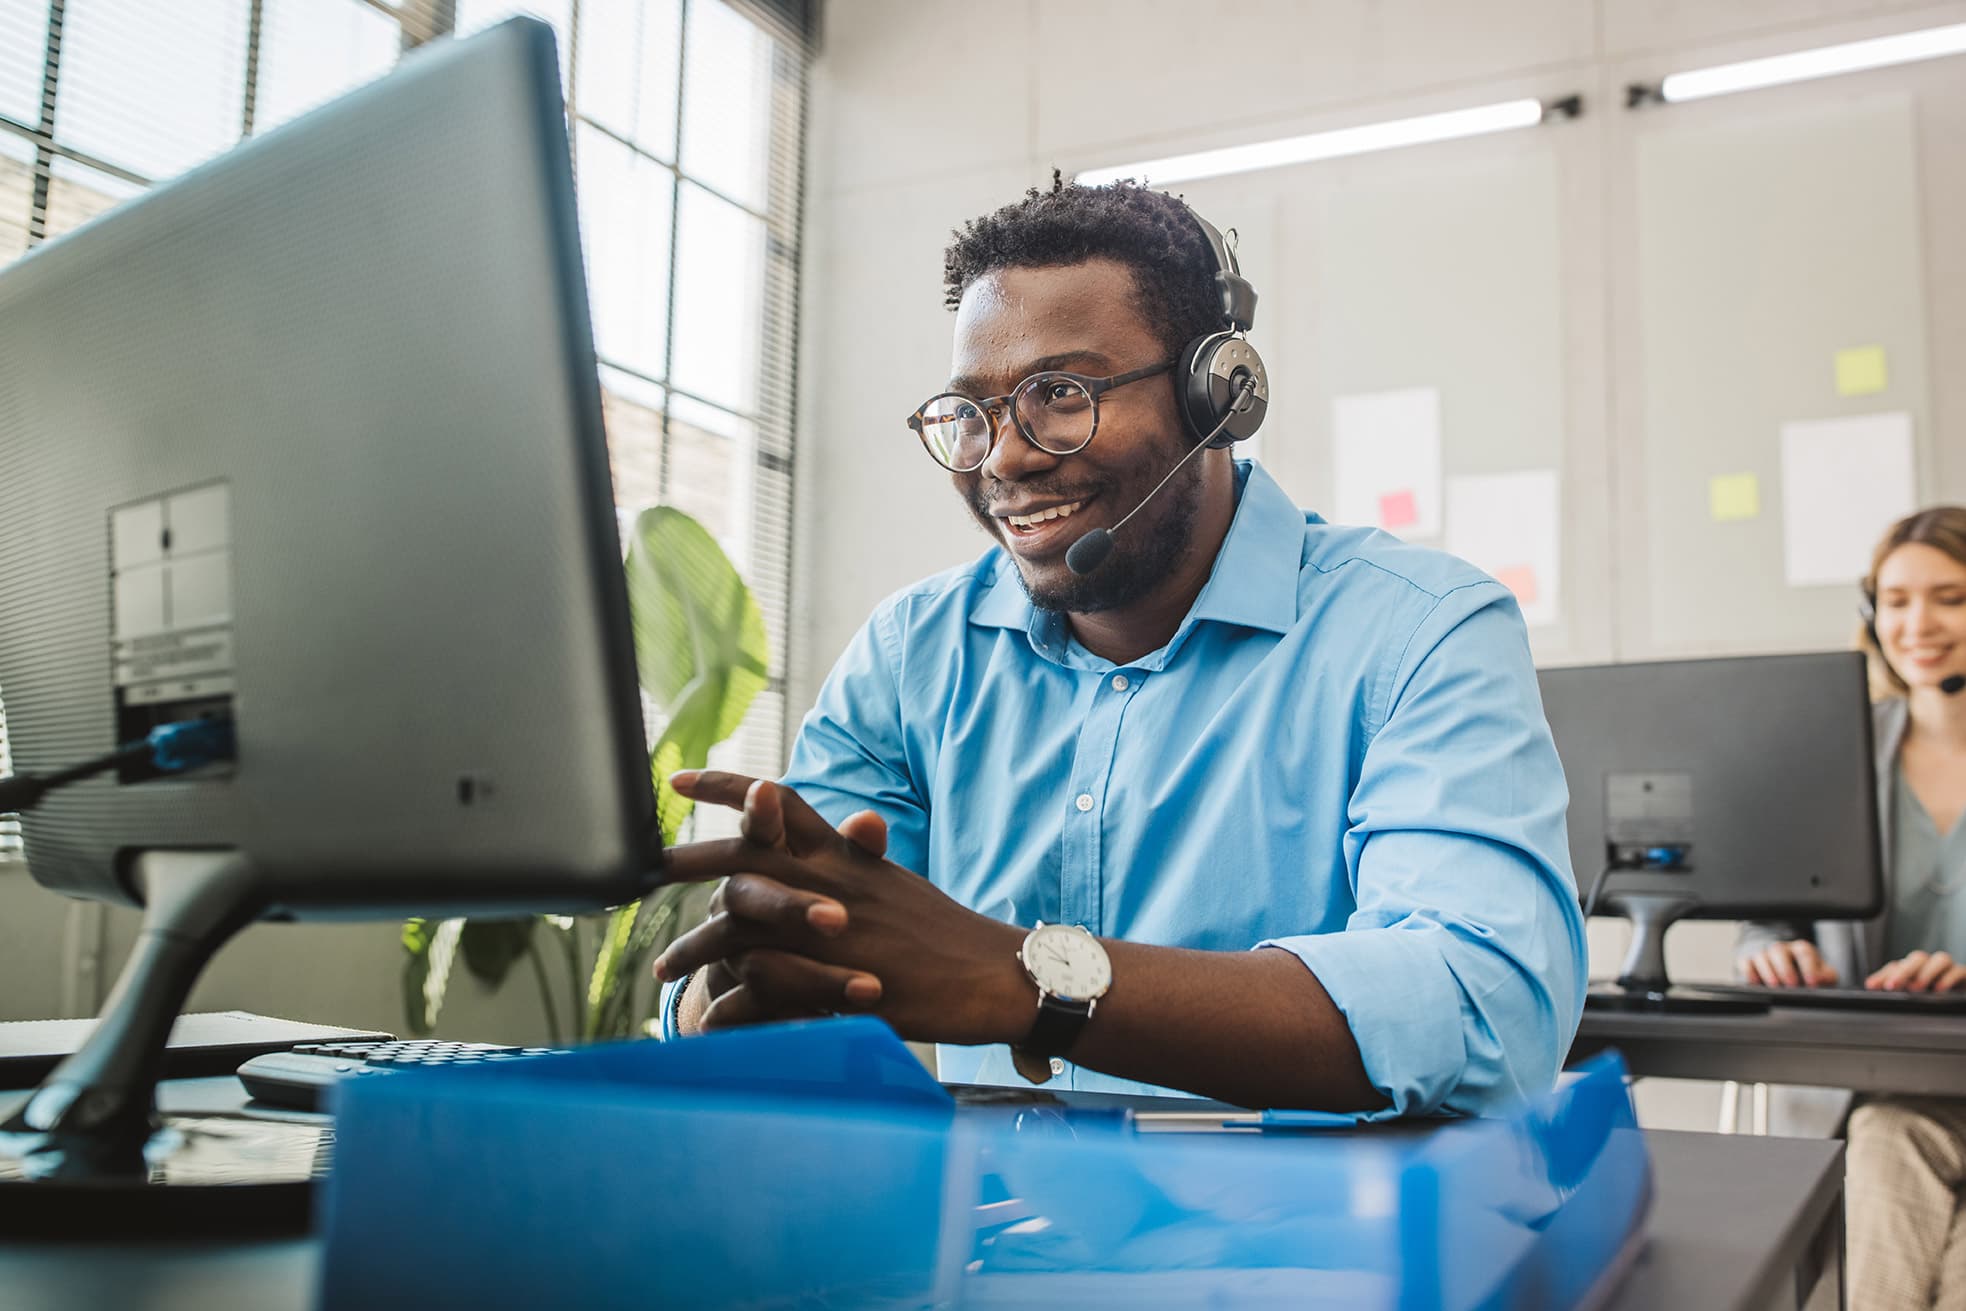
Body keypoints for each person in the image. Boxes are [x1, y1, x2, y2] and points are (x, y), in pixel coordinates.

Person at [651, 178, 1586, 1116]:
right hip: (985, 1243)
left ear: (1216, 395)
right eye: (971, 412)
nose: (1005, 457)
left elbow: (1481, 1009)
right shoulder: (912, 655)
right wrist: (730, 991)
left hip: (1302, 1248)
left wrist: (1026, 980)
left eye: (1059, 394)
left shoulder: (1419, 630)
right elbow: (796, 951)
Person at [1737, 506, 1966, 1311]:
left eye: (1949, 597)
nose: (1919, 623)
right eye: (1897, 600)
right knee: (1885, 1141)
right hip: (1892, 1090)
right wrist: (1768, 949)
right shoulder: (1842, 748)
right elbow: (1771, 909)